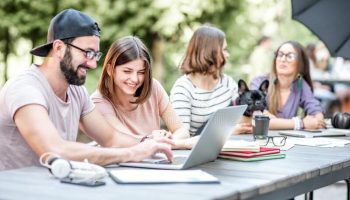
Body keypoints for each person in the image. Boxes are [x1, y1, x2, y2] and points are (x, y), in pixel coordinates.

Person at [0, 9, 173, 171]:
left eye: (95, 55)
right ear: (59, 48)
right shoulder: (25, 89)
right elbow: (55, 150)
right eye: (87, 53)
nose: (93, 63)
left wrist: (149, 143)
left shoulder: (76, 92)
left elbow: (111, 139)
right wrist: (133, 153)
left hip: (56, 186)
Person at [91, 36, 189, 142]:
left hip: (156, 157)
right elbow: (122, 138)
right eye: (127, 71)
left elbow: (181, 130)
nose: (135, 79)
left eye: (141, 72)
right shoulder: (98, 101)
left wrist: (169, 140)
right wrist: (156, 140)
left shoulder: (153, 88)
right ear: (110, 70)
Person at [170, 25, 251, 136]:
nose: (228, 55)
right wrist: (226, 131)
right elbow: (183, 137)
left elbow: (244, 121)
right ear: (209, 53)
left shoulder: (227, 83)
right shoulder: (183, 88)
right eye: (224, 50)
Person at [250, 41, 325, 130]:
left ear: (301, 63)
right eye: (280, 54)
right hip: (259, 141)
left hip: (287, 142)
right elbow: (258, 120)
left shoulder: (300, 84)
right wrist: (301, 123)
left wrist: (316, 119)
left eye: (290, 56)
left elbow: (316, 112)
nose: (283, 59)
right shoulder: (259, 82)